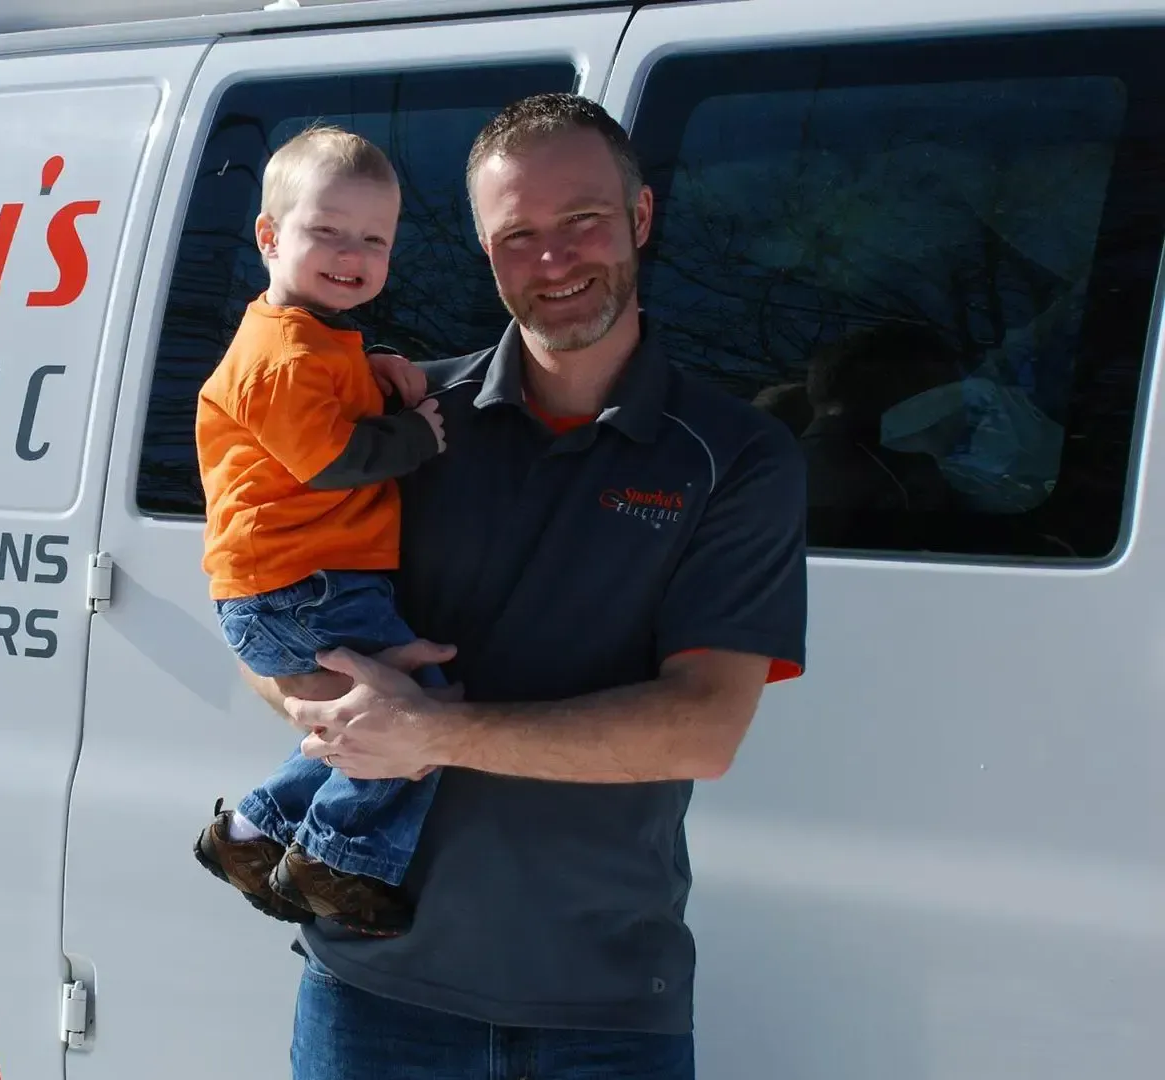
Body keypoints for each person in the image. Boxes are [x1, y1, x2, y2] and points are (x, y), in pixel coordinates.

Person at [239, 94, 809, 1080]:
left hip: (603, 1012)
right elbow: (265, 608)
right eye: (517, 237)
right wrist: (324, 701)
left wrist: (434, 732)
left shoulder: (734, 457)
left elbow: (703, 729)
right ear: (485, 252)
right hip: (372, 997)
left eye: (582, 221)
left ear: (638, 218)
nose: (552, 261)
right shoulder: (401, 424)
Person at [190, 124, 450, 939]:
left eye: (373, 238)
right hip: (298, 583)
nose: (353, 252)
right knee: (411, 724)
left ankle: (251, 835)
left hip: (301, 579)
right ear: (269, 237)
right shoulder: (282, 353)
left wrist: (377, 374)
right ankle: (332, 857)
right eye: (327, 231)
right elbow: (329, 455)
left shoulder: (313, 338)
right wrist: (419, 436)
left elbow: (323, 400)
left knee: (386, 719)